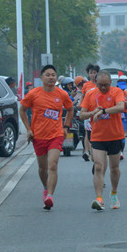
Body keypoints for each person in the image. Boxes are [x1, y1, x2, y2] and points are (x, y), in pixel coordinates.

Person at [19, 65, 74, 210]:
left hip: (56, 135)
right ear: (41, 78)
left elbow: (70, 109)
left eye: (53, 75)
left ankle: (50, 196)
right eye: (48, 75)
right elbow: (22, 110)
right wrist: (28, 129)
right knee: (42, 169)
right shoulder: (33, 94)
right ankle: (45, 187)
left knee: (53, 165)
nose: (51, 77)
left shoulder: (62, 94)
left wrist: (66, 127)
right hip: (38, 136)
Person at [79, 70, 126, 211]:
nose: (103, 88)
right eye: (100, 85)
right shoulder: (90, 94)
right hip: (98, 137)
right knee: (98, 166)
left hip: (115, 136)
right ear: (96, 83)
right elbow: (82, 115)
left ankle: (114, 192)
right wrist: (92, 113)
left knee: (114, 168)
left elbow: (121, 107)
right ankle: (99, 199)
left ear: (110, 83)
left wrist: (104, 111)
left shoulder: (116, 92)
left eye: (106, 85)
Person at [81, 63, 99, 162]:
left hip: (98, 111)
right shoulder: (86, 85)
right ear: (88, 74)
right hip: (88, 112)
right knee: (88, 131)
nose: (93, 75)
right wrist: (81, 107)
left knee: (96, 131)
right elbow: (83, 98)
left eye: (95, 72)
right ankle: (86, 151)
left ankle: (95, 150)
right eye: (91, 73)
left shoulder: (100, 84)